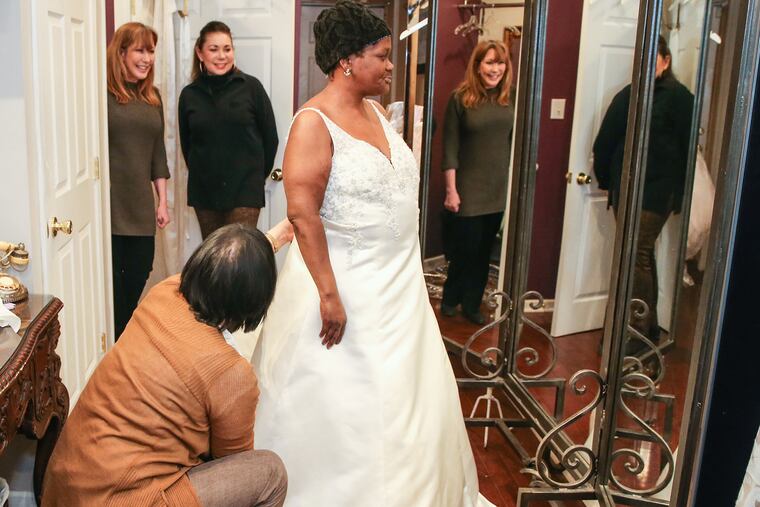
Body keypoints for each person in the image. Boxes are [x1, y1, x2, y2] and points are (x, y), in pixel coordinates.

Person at [251, 2, 494, 506]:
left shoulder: (379, 113)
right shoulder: (312, 123)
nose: (390, 66)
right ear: (347, 60)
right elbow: (302, 213)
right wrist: (329, 294)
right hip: (346, 284)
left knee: (413, 395)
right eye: (382, 57)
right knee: (352, 399)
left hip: (402, 288)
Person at [41, 220, 293, 507]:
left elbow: (224, 267)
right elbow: (234, 460)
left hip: (66, 487)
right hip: (123, 499)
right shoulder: (232, 374)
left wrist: (273, 239)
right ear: (254, 301)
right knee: (269, 472)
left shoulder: (164, 291)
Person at [593, 35, 694, 343]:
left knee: (636, 255)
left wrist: (677, 195)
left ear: (666, 60)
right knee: (639, 256)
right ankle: (644, 331)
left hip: (657, 195)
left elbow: (688, 152)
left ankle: (632, 337)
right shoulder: (628, 95)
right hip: (626, 191)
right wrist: (610, 184)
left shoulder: (680, 98)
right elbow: (605, 143)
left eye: (653, 58)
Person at [179, 21, 279, 239]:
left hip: (245, 191)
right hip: (204, 192)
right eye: (214, 49)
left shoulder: (252, 88)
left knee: (238, 257)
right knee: (214, 261)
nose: (222, 56)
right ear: (200, 53)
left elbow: (271, 139)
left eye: (227, 49)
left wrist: (255, 178)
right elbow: (187, 146)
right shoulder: (189, 95)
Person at [440, 40, 515, 325]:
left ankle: (472, 304)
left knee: (485, 251)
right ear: (477, 65)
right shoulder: (461, 98)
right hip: (468, 188)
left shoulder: (511, 98)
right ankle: (450, 297)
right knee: (465, 249)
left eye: (500, 63)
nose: (495, 69)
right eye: (489, 62)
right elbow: (449, 147)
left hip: (498, 188)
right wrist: (451, 190)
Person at [106, 22, 171, 340]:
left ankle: (118, 342)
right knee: (113, 288)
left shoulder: (152, 97)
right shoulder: (103, 95)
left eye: (151, 51)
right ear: (121, 53)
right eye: (140, 50)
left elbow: (158, 153)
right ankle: (116, 348)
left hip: (141, 208)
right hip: (110, 208)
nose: (147, 58)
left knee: (139, 272)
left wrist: (163, 201)